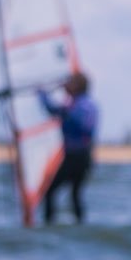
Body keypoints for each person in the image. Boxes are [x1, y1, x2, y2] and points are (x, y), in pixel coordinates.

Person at [39, 71, 98, 224]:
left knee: (54, 192)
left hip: (78, 157)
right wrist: (42, 94)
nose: (66, 87)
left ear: (77, 86)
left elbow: (82, 125)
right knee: (73, 195)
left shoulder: (83, 105)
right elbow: (53, 109)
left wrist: (66, 112)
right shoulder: (76, 104)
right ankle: (79, 225)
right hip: (78, 156)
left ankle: (50, 223)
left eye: (70, 84)